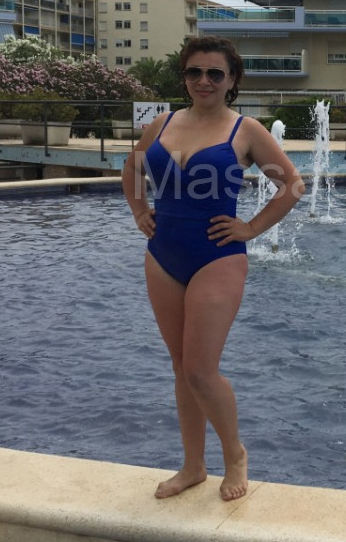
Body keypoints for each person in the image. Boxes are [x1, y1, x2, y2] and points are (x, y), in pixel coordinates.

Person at [123, 36, 305, 502]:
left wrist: (251, 228)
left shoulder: (245, 130)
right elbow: (132, 169)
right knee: (181, 368)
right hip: (163, 255)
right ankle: (192, 466)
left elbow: (292, 185)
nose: (203, 81)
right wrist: (139, 211)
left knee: (201, 370)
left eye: (214, 73)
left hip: (217, 256)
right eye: (194, 72)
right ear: (184, 77)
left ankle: (234, 454)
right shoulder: (162, 123)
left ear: (232, 80)